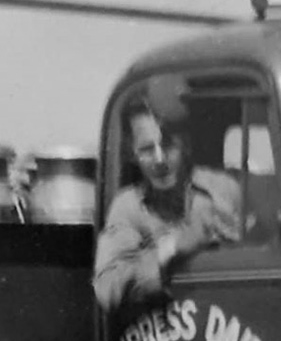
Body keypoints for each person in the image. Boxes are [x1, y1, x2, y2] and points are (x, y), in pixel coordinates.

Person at [93, 96, 242, 320]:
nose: (159, 159)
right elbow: (107, 287)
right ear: (133, 155)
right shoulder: (129, 207)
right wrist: (170, 248)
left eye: (168, 145)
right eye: (146, 149)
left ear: (186, 145)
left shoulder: (221, 190)